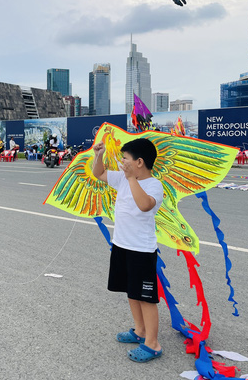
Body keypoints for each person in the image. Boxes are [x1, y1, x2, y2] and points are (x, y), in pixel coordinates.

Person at [92, 137, 164, 363]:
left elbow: (144, 205)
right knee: (131, 292)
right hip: (121, 245)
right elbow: (99, 173)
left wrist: (131, 178)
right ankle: (140, 331)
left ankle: (153, 344)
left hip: (141, 250)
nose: (122, 162)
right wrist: (98, 155)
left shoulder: (154, 185)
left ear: (139, 162)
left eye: (125, 158)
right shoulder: (123, 178)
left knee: (146, 298)